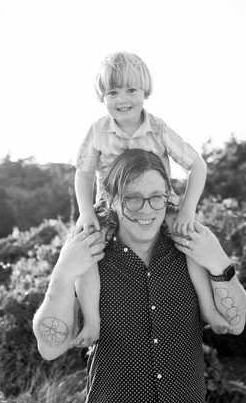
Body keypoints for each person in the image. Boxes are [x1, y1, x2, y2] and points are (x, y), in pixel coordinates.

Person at [33, 149, 246, 403]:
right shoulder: (89, 259)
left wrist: (218, 262)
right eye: (133, 198)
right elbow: (49, 347)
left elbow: (235, 324)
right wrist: (61, 276)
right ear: (111, 199)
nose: (146, 209)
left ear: (168, 198)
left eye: (156, 197)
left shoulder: (190, 252)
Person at [73, 51, 235, 347]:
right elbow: (83, 174)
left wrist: (187, 210)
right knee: (87, 250)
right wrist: (86, 213)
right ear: (102, 96)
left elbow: (197, 165)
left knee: (189, 242)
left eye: (131, 90)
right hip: (112, 207)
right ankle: (92, 321)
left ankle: (209, 309)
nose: (123, 98)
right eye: (113, 92)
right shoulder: (98, 131)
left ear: (144, 91)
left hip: (158, 205)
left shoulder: (158, 128)